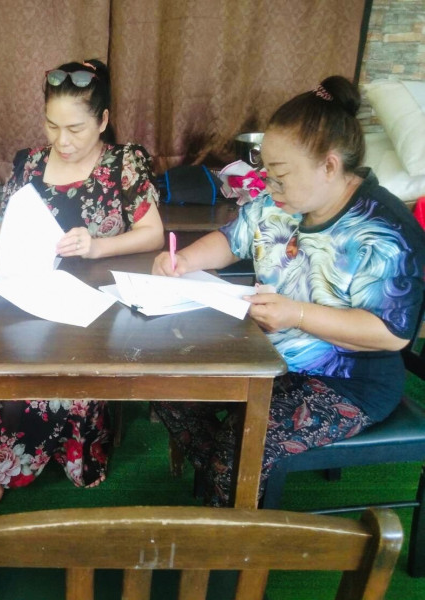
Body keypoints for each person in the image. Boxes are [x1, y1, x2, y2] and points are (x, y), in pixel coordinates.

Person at [151, 75, 425, 507]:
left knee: (239, 446)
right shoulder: (277, 203)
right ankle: (229, 483)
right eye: (267, 174)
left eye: (279, 176)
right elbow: (233, 239)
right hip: (269, 358)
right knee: (169, 391)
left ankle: (226, 507)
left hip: (348, 382)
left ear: (329, 166)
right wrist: (184, 261)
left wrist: (296, 314)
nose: (269, 187)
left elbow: (390, 334)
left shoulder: (383, 231)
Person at [0, 59, 165, 509]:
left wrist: (96, 246)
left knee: (70, 369)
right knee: (11, 368)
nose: (63, 141)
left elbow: (153, 234)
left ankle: (73, 452)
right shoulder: (30, 163)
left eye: (76, 128)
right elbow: (10, 221)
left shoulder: (124, 162)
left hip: (97, 302)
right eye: (52, 126)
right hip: (30, 293)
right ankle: (6, 464)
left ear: (103, 120)